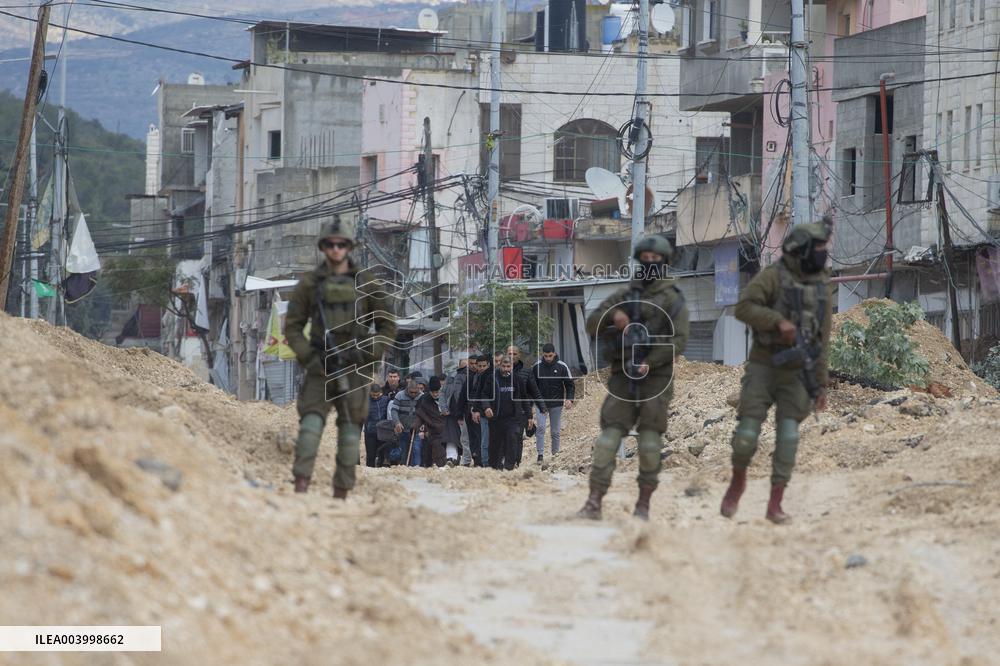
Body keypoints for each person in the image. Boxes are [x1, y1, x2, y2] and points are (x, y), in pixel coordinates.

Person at [720, 223, 832, 524]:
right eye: (819, 248)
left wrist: (821, 385)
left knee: (788, 437)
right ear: (803, 250)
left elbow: (823, 337)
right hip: (764, 365)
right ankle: (738, 481)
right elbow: (743, 307)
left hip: (797, 373)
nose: (824, 254)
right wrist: (776, 322)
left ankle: (775, 504)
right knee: (745, 436)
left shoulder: (821, 285)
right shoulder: (773, 276)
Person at [577, 234, 689, 521]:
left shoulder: (674, 299)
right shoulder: (625, 296)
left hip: (656, 379)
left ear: (664, 263)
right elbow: (591, 324)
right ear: (639, 260)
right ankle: (594, 501)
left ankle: (643, 505)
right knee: (608, 439)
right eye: (646, 259)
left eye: (656, 260)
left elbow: (679, 342)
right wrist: (615, 316)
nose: (650, 264)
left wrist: (651, 362)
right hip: (622, 377)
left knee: (650, 445)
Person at [285, 214, 396, 498]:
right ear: (323, 247)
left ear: (349, 247)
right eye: (331, 244)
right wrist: (309, 358)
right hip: (320, 366)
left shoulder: (366, 283)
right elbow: (293, 327)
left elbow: (387, 325)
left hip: (354, 367)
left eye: (341, 244)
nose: (336, 250)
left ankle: (341, 493)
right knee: (310, 425)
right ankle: (300, 486)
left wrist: (369, 352)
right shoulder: (310, 284)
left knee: (349, 432)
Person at [476, 355, 536, 471]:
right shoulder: (492, 378)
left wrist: (529, 416)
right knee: (495, 445)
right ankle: (495, 467)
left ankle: (509, 467)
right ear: (499, 366)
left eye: (508, 366)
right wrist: (487, 407)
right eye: (503, 366)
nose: (506, 369)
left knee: (512, 441)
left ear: (512, 367)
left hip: (513, 418)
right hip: (496, 418)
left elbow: (524, 398)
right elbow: (484, 395)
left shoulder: (517, 379)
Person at [532, 343, 576, 463]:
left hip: (556, 403)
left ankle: (555, 454)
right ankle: (540, 455)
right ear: (543, 354)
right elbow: (531, 385)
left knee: (555, 431)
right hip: (541, 403)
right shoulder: (537, 366)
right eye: (546, 356)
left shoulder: (562, 366)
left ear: (554, 354)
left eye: (550, 356)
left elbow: (570, 384)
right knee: (540, 428)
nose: (548, 358)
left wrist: (569, 399)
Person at [505, 345, 546, 467]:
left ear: (519, 355)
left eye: (514, 354)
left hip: (521, 410)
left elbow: (534, 391)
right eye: (509, 353)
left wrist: (542, 406)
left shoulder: (527, 372)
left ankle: (516, 461)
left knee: (517, 436)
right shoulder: (500, 371)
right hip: (503, 410)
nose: (512, 356)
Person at [414, 375, 448, 467]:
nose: (435, 394)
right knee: (428, 452)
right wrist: (416, 425)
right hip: (430, 429)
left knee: (439, 448)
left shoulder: (446, 397)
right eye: (432, 392)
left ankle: (443, 466)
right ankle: (428, 467)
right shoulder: (424, 399)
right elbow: (419, 414)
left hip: (444, 428)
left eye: (437, 392)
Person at [388, 380, 422, 465]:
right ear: (407, 389)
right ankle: (403, 467)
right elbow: (394, 410)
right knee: (403, 451)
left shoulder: (422, 396)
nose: (413, 394)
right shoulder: (400, 395)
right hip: (403, 428)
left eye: (415, 392)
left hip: (416, 429)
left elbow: (425, 412)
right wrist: (397, 422)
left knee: (416, 449)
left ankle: (416, 469)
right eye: (411, 392)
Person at [467, 355, 490, 467]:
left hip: (496, 412)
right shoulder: (475, 378)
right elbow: (474, 394)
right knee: (482, 439)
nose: (481, 368)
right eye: (479, 366)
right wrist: (474, 409)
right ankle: (484, 463)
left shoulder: (494, 376)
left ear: (488, 365)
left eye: (484, 366)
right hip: (481, 413)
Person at [364, 384, 389, 467]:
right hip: (370, 432)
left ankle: (380, 471)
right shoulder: (366, 401)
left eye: (377, 395)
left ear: (381, 393)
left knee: (382, 454)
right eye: (373, 395)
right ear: (370, 393)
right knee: (370, 455)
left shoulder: (386, 400)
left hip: (383, 432)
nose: (375, 397)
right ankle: (369, 470)